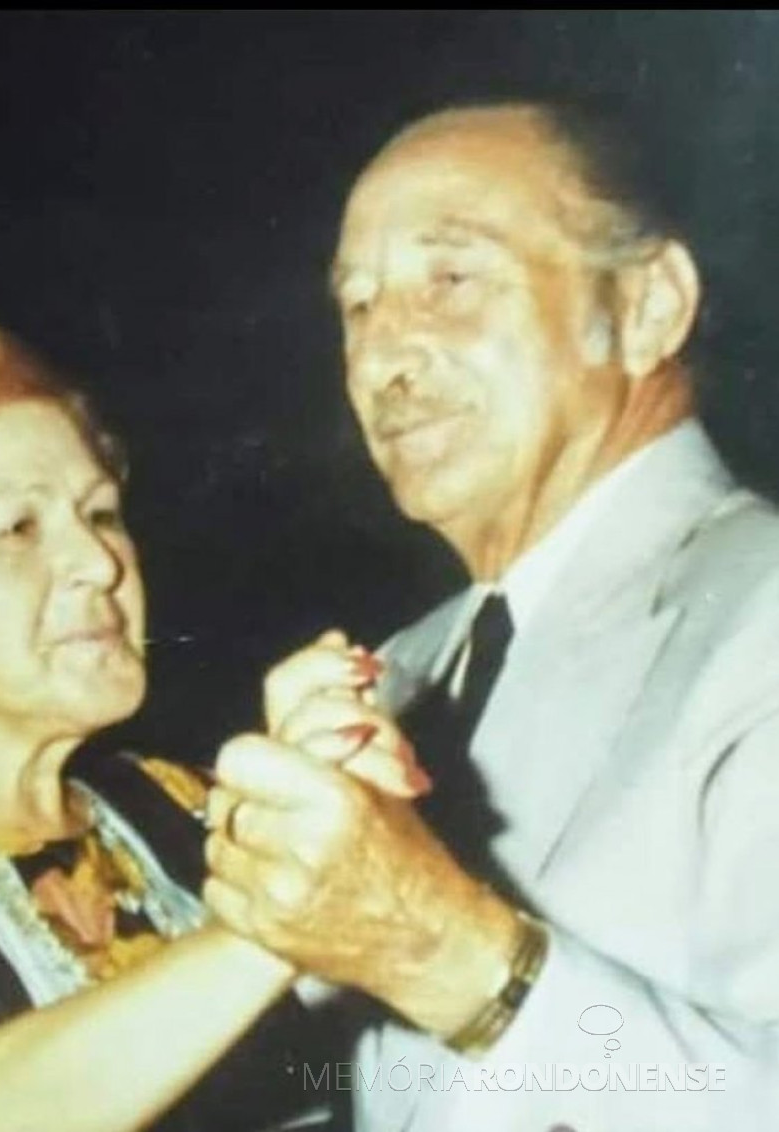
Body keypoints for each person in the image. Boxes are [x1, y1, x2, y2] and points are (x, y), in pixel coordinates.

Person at [201, 102, 779, 1130]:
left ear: (648, 306)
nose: (382, 359)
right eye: (358, 305)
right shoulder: (401, 671)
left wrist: (443, 952)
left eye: (452, 280)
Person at [0, 314, 423, 1132]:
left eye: (100, 514)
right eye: (19, 529)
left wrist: (354, 807)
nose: (101, 564)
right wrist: (285, 909)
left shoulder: (183, 803)